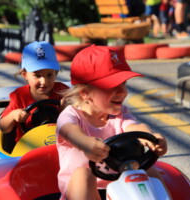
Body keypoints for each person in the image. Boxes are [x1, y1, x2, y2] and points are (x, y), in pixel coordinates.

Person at [56, 45, 169, 200]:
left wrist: (151, 137)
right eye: (112, 86)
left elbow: (134, 127)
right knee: (83, 174)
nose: (122, 92)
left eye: (124, 84)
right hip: (80, 192)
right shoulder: (71, 116)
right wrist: (85, 143)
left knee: (149, 171)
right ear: (85, 93)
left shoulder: (121, 114)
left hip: (119, 189)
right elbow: (69, 131)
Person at [0, 41, 69, 153]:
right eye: (37, 75)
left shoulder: (62, 92)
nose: (44, 81)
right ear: (25, 75)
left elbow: (83, 118)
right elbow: (3, 127)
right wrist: (13, 115)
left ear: (56, 73)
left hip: (58, 146)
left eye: (49, 75)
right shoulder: (19, 96)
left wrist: (69, 108)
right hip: (26, 149)